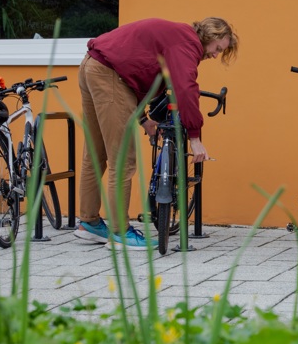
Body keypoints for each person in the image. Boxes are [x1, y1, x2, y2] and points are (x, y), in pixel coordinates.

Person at [74, 17, 238, 249]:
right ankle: (120, 233)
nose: (214, 55)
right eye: (217, 49)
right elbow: (185, 88)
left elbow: (136, 74)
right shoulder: (187, 43)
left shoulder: (177, 35)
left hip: (92, 66)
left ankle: (89, 223)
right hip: (108, 74)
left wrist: (143, 120)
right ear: (210, 36)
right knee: (123, 161)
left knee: (96, 153)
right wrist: (194, 137)